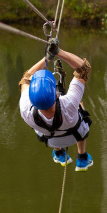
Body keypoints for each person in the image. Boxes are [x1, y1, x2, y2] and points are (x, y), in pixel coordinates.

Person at [18, 39, 93, 171]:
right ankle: (82, 157)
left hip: (51, 140)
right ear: (56, 95)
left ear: (31, 98)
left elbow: (25, 79)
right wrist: (58, 52)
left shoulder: (25, 109)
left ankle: (59, 153)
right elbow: (83, 69)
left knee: (44, 126)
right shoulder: (69, 103)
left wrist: (46, 59)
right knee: (80, 107)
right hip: (75, 136)